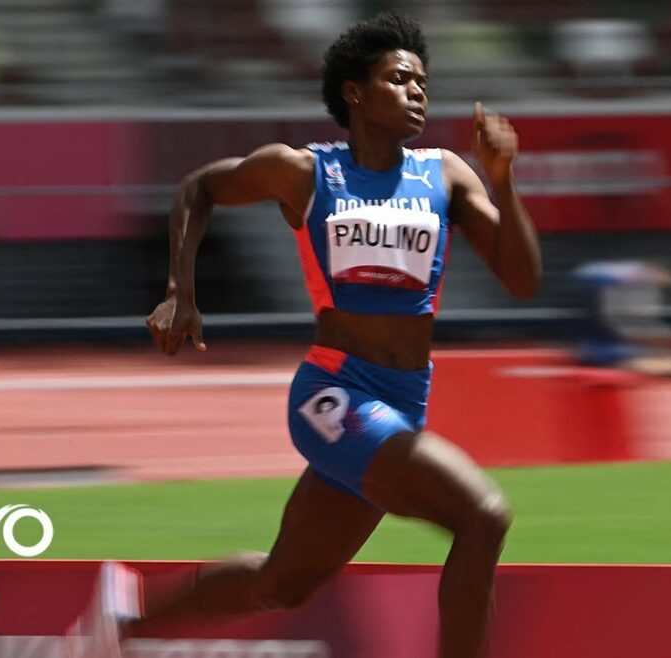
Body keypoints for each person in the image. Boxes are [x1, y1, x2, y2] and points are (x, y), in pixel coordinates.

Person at [77, 12, 541, 658]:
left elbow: (522, 279)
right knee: (483, 516)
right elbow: (199, 188)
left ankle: (120, 626)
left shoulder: (446, 175)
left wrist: (503, 179)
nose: (417, 93)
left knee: (283, 583)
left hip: (402, 404)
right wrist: (181, 291)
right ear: (354, 92)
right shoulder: (304, 172)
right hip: (335, 394)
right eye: (399, 79)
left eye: (423, 84)